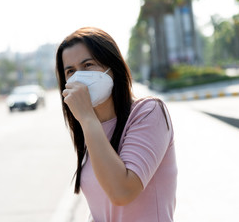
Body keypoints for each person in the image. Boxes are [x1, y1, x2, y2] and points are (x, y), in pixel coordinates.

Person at [55, 27, 177, 222]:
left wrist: (87, 117)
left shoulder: (149, 112)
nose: (79, 77)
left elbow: (122, 192)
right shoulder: (92, 128)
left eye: (88, 65)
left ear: (112, 67)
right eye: (70, 71)